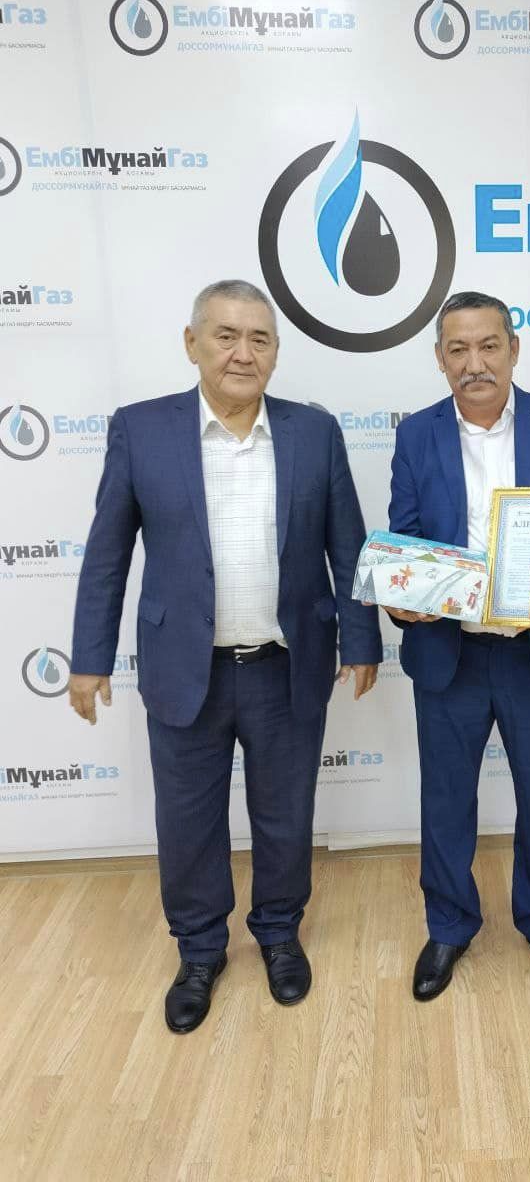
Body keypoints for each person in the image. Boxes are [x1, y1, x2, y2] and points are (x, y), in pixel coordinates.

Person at [69, 279, 382, 1033]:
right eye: (226, 336)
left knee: (286, 815)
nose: (243, 353)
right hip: (186, 669)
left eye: (260, 339)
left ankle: (278, 933)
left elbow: (348, 545)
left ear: (275, 351)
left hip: (285, 664)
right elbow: (107, 554)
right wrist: (89, 656)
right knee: (188, 823)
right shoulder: (142, 430)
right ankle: (200, 950)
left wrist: (363, 639)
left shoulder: (314, 432)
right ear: (193, 344)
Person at [387, 290, 530, 1001]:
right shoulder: (415, 434)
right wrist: (404, 595)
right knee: (445, 800)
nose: (474, 363)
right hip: (448, 655)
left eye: (489, 345)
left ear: (514, 349)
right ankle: (449, 924)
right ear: (439, 358)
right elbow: (407, 535)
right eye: (458, 349)